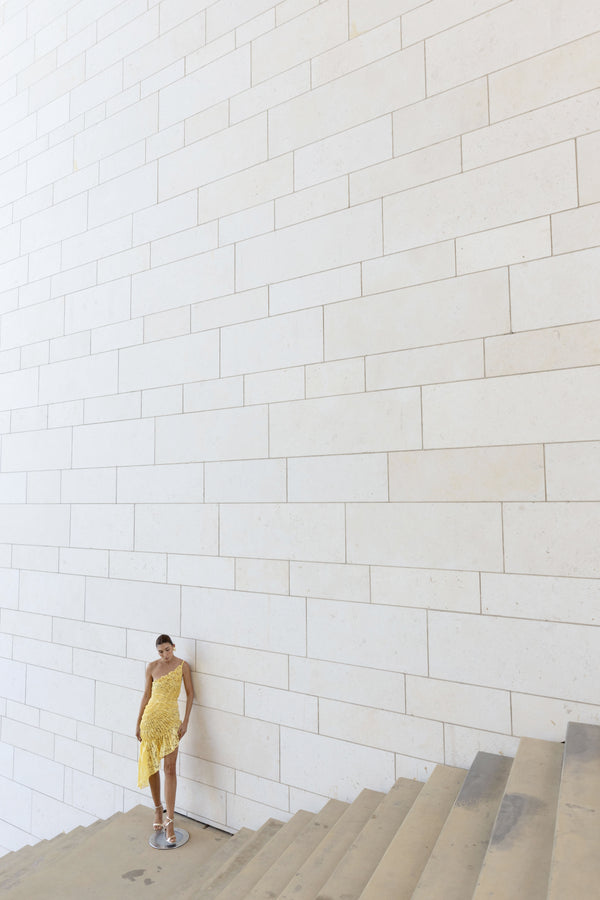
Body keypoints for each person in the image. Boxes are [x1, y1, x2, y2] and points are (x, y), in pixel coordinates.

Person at [136, 634, 194, 845]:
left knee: (170, 769)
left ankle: (170, 821)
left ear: (174, 647)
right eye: (161, 651)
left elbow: (190, 694)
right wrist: (138, 722)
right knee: (152, 767)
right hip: (150, 721)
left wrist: (185, 721)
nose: (165, 655)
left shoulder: (182, 666)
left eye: (168, 650)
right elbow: (146, 696)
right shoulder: (151, 667)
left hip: (171, 722)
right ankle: (158, 811)